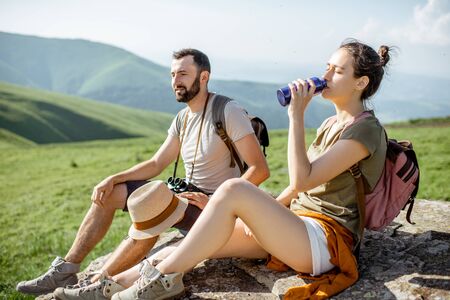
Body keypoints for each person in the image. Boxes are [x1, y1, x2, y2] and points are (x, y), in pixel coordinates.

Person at [76, 39, 389, 300]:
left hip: (325, 240)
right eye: (327, 67)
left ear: (360, 83)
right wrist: (264, 215)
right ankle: (104, 289)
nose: (326, 74)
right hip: (296, 226)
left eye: (338, 71)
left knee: (234, 189)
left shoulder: (365, 131)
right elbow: (298, 189)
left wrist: (296, 116)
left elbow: (302, 177)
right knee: (190, 245)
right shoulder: (332, 123)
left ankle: (161, 282)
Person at [16, 48, 270, 297]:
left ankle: (99, 282)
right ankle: (66, 269)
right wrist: (113, 178)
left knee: (152, 205)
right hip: (188, 199)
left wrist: (214, 202)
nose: (175, 81)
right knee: (110, 193)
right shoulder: (182, 118)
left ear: (203, 77)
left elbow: (260, 170)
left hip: (215, 210)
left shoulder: (227, 110)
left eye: (182, 74)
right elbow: (157, 162)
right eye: (172, 75)